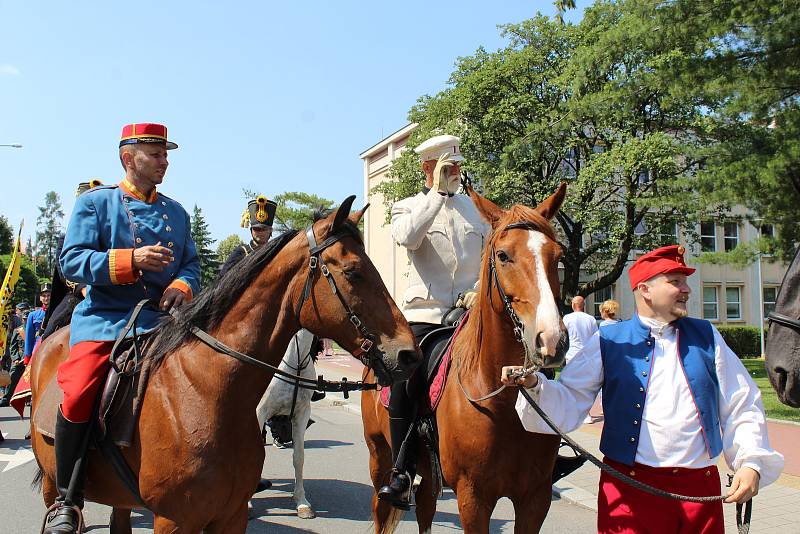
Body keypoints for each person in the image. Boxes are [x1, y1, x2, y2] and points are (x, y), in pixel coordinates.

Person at [502, 245, 784, 534]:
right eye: (675, 282)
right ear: (645, 290)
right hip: (630, 491)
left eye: (684, 281)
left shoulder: (707, 336)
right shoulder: (608, 340)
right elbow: (571, 398)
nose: (686, 289)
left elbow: (742, 402)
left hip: (699, 492)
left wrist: (750, 462)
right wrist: (535, 387)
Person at [42, 123, 200, 534]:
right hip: (107, 319)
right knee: (77, 394)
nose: (165, 161)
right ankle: (67, 499)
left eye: (166, 154)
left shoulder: (177, 212)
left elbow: (192, 263)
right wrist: (131, 261)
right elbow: (71, 262)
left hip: (164, 322)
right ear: (128, 158)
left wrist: (183, 284)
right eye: (156, 154)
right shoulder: (96, 204)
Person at [378, 134, 490, 509]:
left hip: (474, 311)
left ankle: (537, 450)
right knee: (406, 380)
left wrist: (478, 288)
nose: (456, 173)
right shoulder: (408, 206)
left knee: (517, 363)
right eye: (448, 167)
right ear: (428, 168)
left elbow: (493, 255)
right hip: (427, 313)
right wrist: (435, 195)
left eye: (458, 166)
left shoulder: (476, 209)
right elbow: (408, 238)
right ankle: (402, 470)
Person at [218, 195, 277, 277]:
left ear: (271, 231)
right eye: (257, 229)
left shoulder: (276, 252)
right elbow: (222, 278)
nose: (261, 232)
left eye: (264, 229)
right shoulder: (241, 252)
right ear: (251, 231)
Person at [0, 304, 29, 406]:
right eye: (24, 319)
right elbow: (13, 347)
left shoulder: (35, 331)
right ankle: (6, 398)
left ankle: (29, 400)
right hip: (19, 359)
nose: (25, 321)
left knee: (29, 380)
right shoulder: (18, 330)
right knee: (12, 377)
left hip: (30, 359)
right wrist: (16, 358)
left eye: (27, 319)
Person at [563, 295, 598, 365]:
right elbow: (596, 338)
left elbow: (562, 336)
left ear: (573, 305)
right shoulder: (591, 319)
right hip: (587, 356)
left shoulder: (567, 318)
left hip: (572, 355)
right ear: (583, 305)